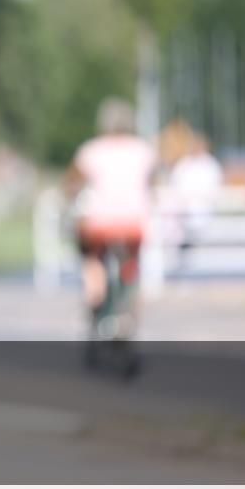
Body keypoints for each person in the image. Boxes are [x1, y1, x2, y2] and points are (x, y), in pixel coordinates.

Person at [66, 98, 157, 322]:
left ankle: (94, 294)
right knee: (132, 260)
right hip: (134, 223)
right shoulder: (143, 150)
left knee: (92, 257)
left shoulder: (92, 150)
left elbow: (72, 183)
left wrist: (73, 197)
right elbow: (153, 184)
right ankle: (129, 304)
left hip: (99, 223)